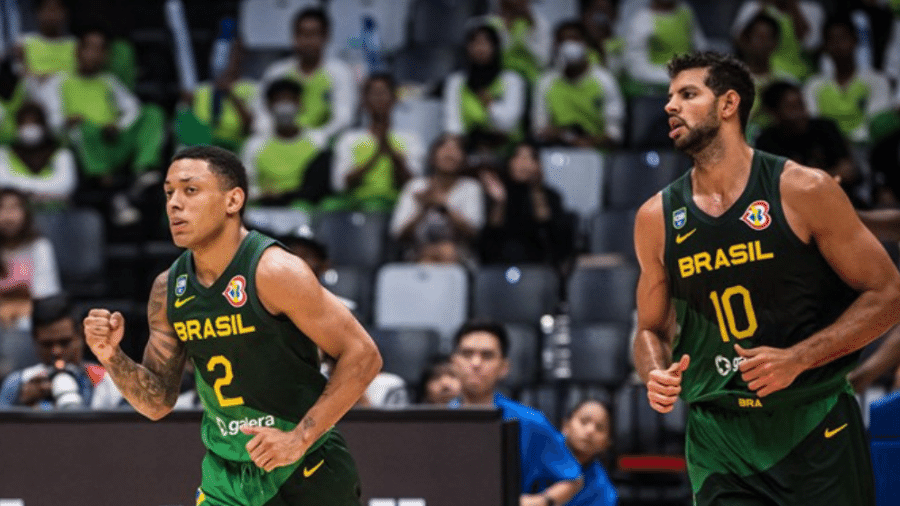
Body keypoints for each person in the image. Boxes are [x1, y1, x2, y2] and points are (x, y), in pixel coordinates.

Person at [633, 51, 900, 504]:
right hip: (720, 438)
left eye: (688, 94)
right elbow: (650, 330)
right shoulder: (656, 216)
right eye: (669, 96)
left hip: (812, 423)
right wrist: (654, 373)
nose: (669, 106)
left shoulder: (804, 190)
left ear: (728, 104)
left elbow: (889, 293)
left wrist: (798, 358)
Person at [83, 145, 382, 504]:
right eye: (168, 193)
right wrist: (110, 356)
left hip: (302, 465)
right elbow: (158, 403)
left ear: (233, 200)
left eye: (190, 190)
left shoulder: (273, 271)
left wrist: (298, 439)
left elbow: (364, 356)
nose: (174, 204)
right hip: (225, 473)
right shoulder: (169, 288)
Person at [40, 27, 165, 227]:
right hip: (84, 145)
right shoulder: (60, 82)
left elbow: (133, 108)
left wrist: (117, 124)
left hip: (112, 138)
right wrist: (66, 121)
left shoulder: (108, 80)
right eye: (90, 48)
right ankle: (113, 192)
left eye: (100, 50)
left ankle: (144, 169)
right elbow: (51, 121)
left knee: (152, 113)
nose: (95, 55)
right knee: (83, 130)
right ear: (78, 51)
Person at [450, 320, 584, 505]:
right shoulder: (436, 423)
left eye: (487, 356)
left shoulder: (529, 421)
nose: (475, 363)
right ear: (454, 362)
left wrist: (542, 501)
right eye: (467, 354)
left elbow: (573, 478)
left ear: (504, 367)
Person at [0, 294, 122, 409]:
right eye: (47, 344)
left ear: (81, 336)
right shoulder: (18, 385)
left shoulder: (110, 384)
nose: (56, 351)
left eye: (65, 342)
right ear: (35, 341)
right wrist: (20, 408)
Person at [253, 8, 356, 143]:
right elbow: (261, 112)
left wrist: (316, 137)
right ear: (294, 37)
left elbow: (343, 118)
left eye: (313, 34)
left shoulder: (340, 72)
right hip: (281, 140)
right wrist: (273, 135)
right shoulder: (277, 72)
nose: (307, 41)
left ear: (326, 37)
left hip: (322, 144)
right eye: (302, 34)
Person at [326, 73, 424, 213]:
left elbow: (414, 185)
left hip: (396, 208)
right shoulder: (348, 139)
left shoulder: (410, 139)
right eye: (373, 94)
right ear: (364, 101)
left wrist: (393, 156)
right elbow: (340, 185)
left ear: (394, 99)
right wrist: (375, 155)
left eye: (384, 93)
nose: (379, 99)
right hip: (356, 207)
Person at [754, 81, 862, 205]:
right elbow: (773, 187)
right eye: (792, 108)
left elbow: (847, 172)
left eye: (801, 105)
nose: (801, 113)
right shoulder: (766, 141)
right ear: (774, 113)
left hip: (838, 200)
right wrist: (828, 175)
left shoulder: (825, 127)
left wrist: (803, 181)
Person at [479, 141, 575, 267]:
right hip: (500, 262)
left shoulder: (550, 195)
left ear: (538, 165)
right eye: (518, 157)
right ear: (509, 162)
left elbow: (551, 233)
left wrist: (536, 190)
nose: (523, 163)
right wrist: (500, 202)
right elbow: (490, 237)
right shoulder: (498, 192)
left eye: (530, 158)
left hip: (538, 262)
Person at [390, 134, 485, 261]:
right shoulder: (415, 186)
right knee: (428, 258)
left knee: (447, 251)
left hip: (460, 255)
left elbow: (474, 231)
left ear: (464, 159)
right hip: (418, 252)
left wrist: (443, 207)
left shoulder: (471, 187)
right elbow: (398, 233)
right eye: (444, 149)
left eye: (456, 149)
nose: (449, 154)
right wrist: (423, 209)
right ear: (432, 157)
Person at [533, 21, 625, 150]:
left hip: (597, 152)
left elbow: (614, 133)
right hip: (557, 152)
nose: (569, 45)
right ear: (556, 46)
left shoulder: (605, 80)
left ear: (586, 44)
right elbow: (540, 129)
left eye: (574, 39)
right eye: (563, 40)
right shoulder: (546, 82)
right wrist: (567, 138)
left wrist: (587, 143)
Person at [803, 16, 892, 144]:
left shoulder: (877, 80)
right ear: (825, 46)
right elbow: (813, 121)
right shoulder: (813, 85)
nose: (838, 45)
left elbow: (876, 121)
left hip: (867, 147)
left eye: (843, 38)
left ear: (855, 40)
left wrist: (849, 141)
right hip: (828, 149)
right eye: (832, 40)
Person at [241, 78, 327, 209]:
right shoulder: (254, 145)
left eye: (290, 100)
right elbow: (245, 186)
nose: (285, 106)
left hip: (306, 208)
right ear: (269, 106)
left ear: (300, 103)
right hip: (266, 208)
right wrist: (260, 194)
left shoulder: (317, 140)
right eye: (280, 100)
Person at [444, 24, 526, 157]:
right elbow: (452, 124)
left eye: (486, 42)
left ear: (496, 47)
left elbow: (509, 123)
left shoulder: (512, 80)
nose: (480, 48)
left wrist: (490, 104)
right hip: (468, 149)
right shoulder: (456, 81)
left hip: (507, 151)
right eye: (474, 43)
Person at [175, 38, 256, 153]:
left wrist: (231, 95)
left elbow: (251, 127)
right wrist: (186, 104)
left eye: (231, 55)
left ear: (240, 57)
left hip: (236, 146)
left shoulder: (251, 88)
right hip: (203, 145)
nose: (226, 60)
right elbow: (186, 128)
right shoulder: (200, 90)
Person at [0, 188, 61, 330]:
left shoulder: (40, 247)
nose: (8, 215)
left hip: (30, 320)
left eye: (14, 207)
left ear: (26, 213)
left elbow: (46, 295)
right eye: (1, 207)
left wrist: (11, 309)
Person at [0, 101, 76, 206]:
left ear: (44, 125)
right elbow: (3, 182)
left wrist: (21, 189)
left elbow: (65, 186)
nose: (29, 127)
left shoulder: (61, 153)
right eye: (24, 123)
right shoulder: (4, 153)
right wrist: (47, 192)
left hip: (54, 214)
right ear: (17, 127)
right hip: (15, 215)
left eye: (34, 123)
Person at [623, 0, 707, 94]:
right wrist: (674, 77)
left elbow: (700, 46)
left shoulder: (685, 10)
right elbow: (636, 67)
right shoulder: (642, 21)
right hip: (655, 91)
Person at [731, 0, 826, 82]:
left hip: (802, 79)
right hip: (766, 74)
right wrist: (763, 6)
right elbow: (739, 41)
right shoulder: (754, 6)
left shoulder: (811, 8)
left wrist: (794, 7)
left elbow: (812, 46)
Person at [560, 399, 618, 506]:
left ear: (607, 443)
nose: (590, 431)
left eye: (600, 428)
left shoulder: (603, 493)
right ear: (566, 425)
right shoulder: (538, 450)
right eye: (584, 421)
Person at [485, 0, 552, 84]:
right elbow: (486, 57)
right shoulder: (489, 22)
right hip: (497, 80)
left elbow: (544, 60)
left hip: (532, 82)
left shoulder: (539, 23)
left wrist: (526, 40)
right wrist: (506, 30)